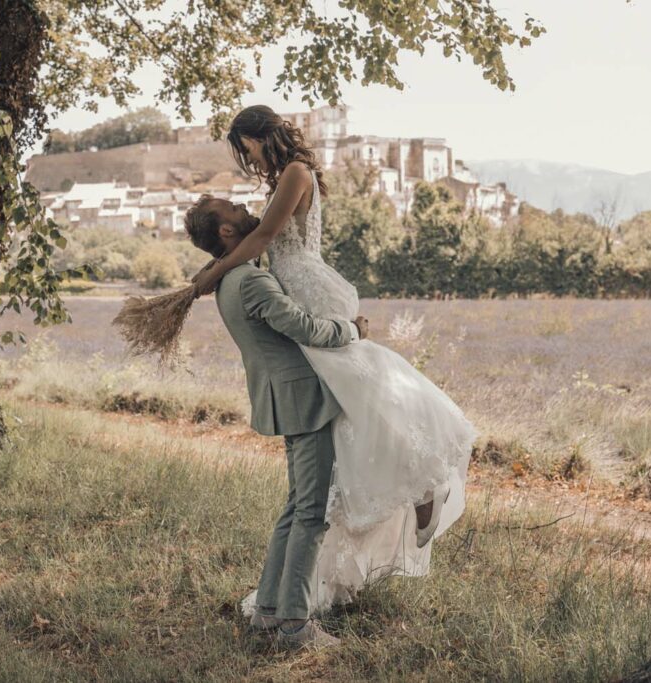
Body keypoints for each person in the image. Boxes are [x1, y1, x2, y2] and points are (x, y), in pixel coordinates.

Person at [190, 105, 479, 618]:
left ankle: (424, 483)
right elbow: (251, 242)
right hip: (293, 286)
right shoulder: (284, 177)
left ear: (263, 137)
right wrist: (217, 264)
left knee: (371, 389)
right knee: (348, 408)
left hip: (306, 285)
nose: (246, 160)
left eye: (247, 147)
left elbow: (260, 240)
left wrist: (211, 272)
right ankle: (384, 503)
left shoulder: (296, 174)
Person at [184, 199, 367, 650]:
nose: (243, 204)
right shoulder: (251, 281)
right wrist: (353, 330)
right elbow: (303, 327)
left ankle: (269, 611)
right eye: (231, 207)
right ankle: (294, 625)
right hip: (304, 400)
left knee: (296, 507)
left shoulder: (230, 280)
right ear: (226, 232)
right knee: (311, 512)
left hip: (286, 398)